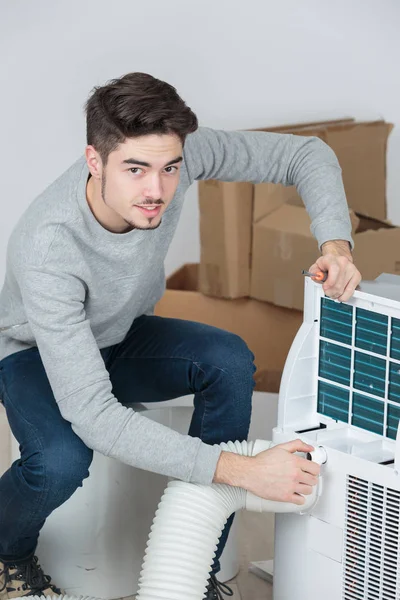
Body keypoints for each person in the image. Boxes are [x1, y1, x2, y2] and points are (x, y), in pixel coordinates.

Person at [0, 72, 361, 600]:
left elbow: (306, 154)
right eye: (135, 169)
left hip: (121, 336)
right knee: (60, 461)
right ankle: (8, 552)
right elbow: (95, 417)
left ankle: (198, 568)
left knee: (228, 359)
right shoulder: (47, 245)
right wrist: (244, 470)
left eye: (169, 168)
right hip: (34, 354)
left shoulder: (185, 154)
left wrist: (336, 245)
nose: (156, 191)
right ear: (94, 161)